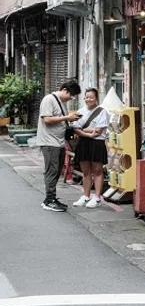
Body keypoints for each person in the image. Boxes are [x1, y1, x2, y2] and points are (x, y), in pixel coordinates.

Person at [37, 79, 81, 212]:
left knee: (57, 171)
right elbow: (47, 119)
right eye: (71, 95)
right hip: (49, 142)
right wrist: (67, 118)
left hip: (59, 142)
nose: (71, 98)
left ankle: (51, 198)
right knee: (52, 170)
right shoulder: (49, 100)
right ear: (64, 90)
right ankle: (49, 200)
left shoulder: (61, 102)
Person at [71, 88, 109, 209]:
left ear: (96, 98)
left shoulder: (103, 112)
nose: (88, 100)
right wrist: (87, 133)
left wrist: (82, 130)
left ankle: (97, 197)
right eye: (87, 97)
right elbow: (75, 129)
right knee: (86, 171)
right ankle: (86, 196)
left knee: (97, 170)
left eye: (91, 97)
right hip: (83, 142)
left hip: (97, 143)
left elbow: (99, 131)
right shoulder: (80, 111)